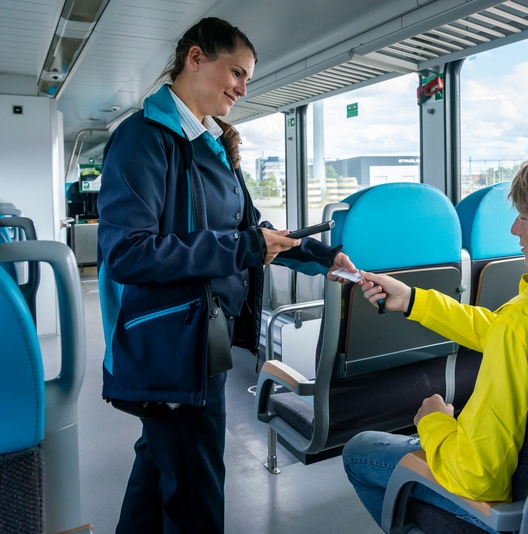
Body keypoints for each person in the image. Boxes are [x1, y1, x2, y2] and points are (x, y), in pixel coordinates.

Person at [97, 18, 356, 534]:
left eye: (248, 78)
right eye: (235, 72)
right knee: (196, 495)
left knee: (159, 466)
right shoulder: (143, 140)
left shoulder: (214, 145)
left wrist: (323, 258)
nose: (241, 87)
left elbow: (251, 232)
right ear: (196, 58)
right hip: (172, 342)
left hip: (203, 336)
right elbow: (127, 252)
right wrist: (246, 246)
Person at [342, 145, 528, 532]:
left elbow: (477, 476)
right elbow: (500, 331)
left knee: (360, 451)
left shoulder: (527, 321)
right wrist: (412, 300)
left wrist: (434, 422)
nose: (514, 230)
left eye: (525, 217)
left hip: (501, 512)